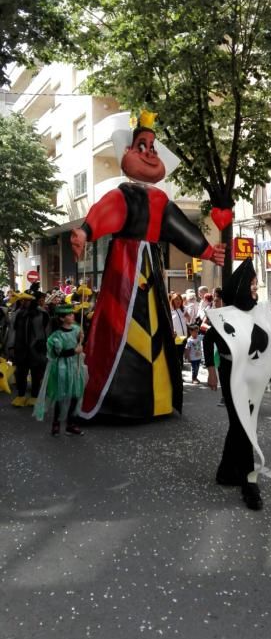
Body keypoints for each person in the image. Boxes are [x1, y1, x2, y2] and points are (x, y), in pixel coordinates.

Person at [70, 110, 225, 420]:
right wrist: (85, 231)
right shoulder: (123, 194)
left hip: (150, 267)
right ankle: (118, 401)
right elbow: (106, 213)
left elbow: (179, 228)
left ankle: (157, 398)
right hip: (125, 269)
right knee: (121, 330)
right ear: (126, 153)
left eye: (153, 148)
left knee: (156, 330)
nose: (150, 154)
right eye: (142, 146)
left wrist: (206, 250)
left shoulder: (159, 200)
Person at [203, 259, 271, 510]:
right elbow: (208, 341)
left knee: (240, 425)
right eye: (251, 284)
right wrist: (212, 371)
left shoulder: (258, 312)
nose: (255, 289)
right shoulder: (226, 315)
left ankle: (226, 472)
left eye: (256, 284)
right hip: (230, 372)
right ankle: (249, 483)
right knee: (242, 425)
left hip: (252, 373)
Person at [33, 304, 86, 436]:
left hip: (75, 367)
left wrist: (82, 339)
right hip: (62, 369)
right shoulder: (55, 336)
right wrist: (74, 350)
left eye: (72, 314)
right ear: (62, 319)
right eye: (69, 315)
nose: (72, 316)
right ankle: (56, 424)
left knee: (75, 395)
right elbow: (57, 354)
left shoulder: (77, 329)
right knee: (60, 396)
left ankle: (71, 424)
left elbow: (80, 344)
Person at [10, 292, 49, 407]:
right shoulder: (18, 313)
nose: (24, 302)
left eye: (27, 300)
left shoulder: (42, 313)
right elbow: (13, 330)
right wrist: (11, 346)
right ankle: (21, 396)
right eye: (22, 300)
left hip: (37, 348)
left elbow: (47, 331)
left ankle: (34, 397)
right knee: (21, 373)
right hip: (20, 348)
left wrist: (45, 346)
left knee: (36, 373)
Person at [170, 293, 190, 368]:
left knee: (180, 354)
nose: (178, 301)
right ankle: (178, 372)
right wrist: (173, 331)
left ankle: (180, 372)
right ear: (173, 301)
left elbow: (189, 318)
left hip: (184, 336)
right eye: (176, 299)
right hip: (177, 337)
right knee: (178, 355)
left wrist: (187, 320)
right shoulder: (171, 311)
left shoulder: (183, 309)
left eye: (179, 299)